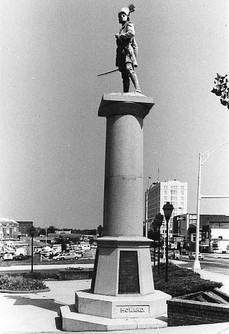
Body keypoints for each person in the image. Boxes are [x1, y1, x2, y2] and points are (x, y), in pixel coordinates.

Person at [115, 5, 141, 93]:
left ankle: (138, 89)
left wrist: (121, 36)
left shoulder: (129, 25)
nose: (121, 17)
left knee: (129, 69)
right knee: (124, 75)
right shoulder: (121, 30)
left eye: (123, 15)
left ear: (127, 16)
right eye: (119, 16)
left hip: (127, 52)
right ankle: (125, 92)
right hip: (121, 53)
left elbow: (131, 33)